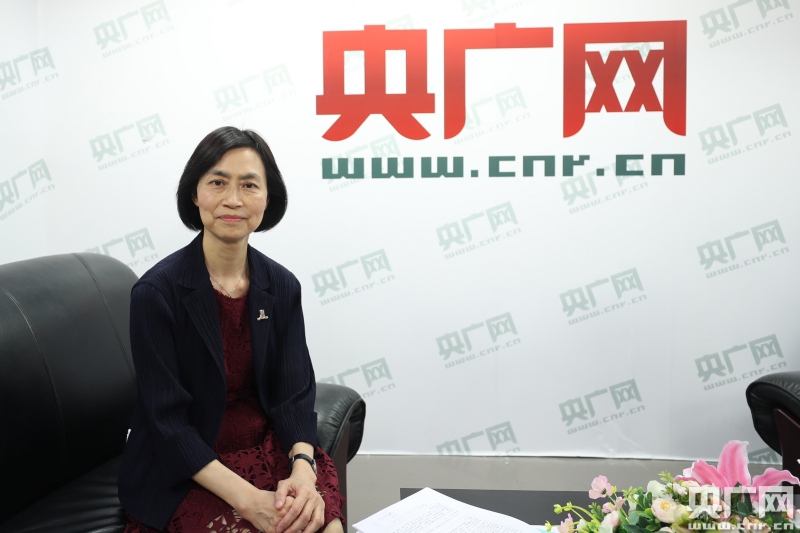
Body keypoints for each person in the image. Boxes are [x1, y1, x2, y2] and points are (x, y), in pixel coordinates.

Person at [118, 126, 345, 533]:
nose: (233, 199)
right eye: (218, 183)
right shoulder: (156, 293)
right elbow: (168, 423)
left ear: (267, 198)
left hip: (265, 445)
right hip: (187, 462)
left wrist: (302, 469)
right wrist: (251, 501)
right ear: (195, 193)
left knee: (322, 523)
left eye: (249, 185)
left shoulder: (282, 285)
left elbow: (293, 394)